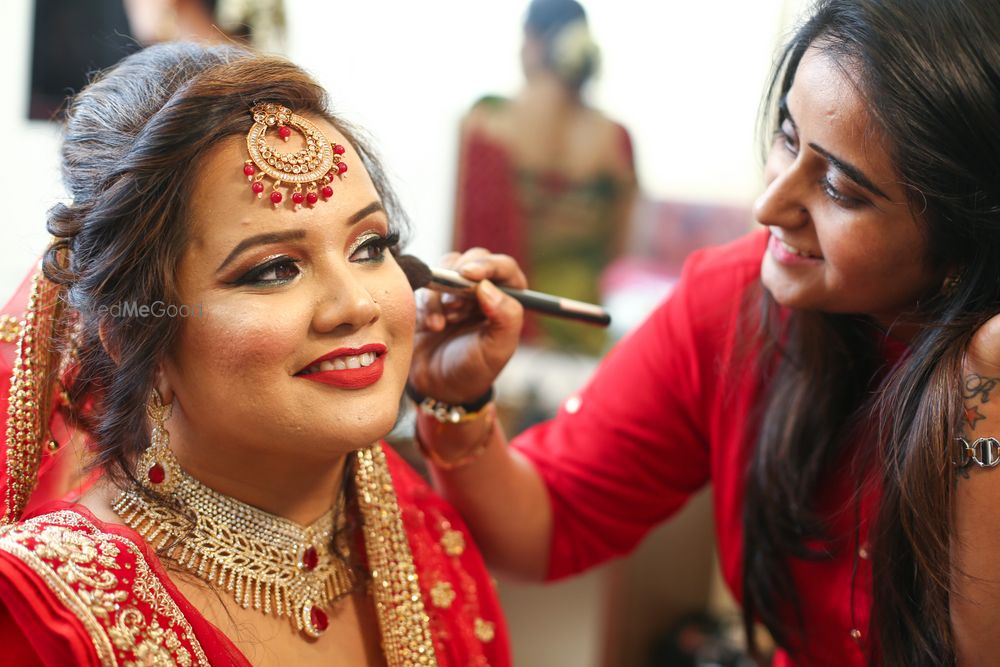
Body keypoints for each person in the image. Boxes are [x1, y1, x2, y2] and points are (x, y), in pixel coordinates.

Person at [408, 0, 1000, 665]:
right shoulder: (735, 301)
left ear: (964, 235)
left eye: (838, 186)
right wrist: (456, 399)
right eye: (786, 134)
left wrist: (986, 390)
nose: (768, 205)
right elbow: (546, 522)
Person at [0, 42, 510, 666]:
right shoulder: (45, 619)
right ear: (135, 338)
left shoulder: (422, 540)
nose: (354, 305)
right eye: (273, 270)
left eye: (369, 246)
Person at [452, 0, 637, 356]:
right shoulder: (615, 139)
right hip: (582, 327)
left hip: (497, 319)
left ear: (532, 43)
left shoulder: (487, 123)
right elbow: (620, 250)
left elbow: (467, 241)